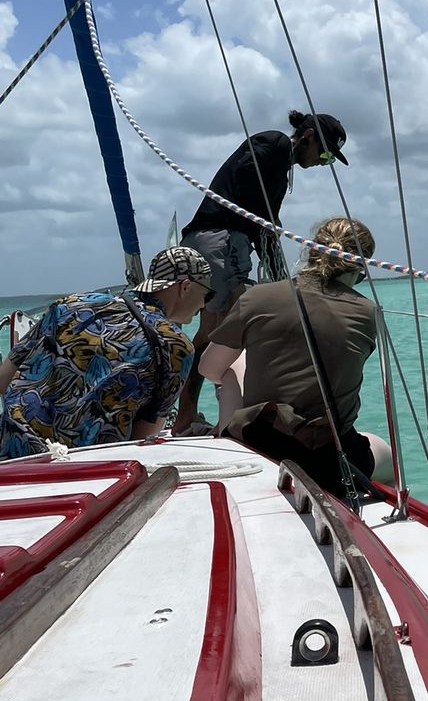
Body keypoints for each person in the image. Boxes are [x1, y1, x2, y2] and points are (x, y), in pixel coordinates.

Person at [173, 109, 349, 433]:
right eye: (325, 154)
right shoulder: (276, 143)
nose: (324, 163)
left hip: (226, 242)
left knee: (217, 332)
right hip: (222, 239)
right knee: (221, 333)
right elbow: (246, 177)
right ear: (308, 136)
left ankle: (199, 415)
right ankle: (204, 417)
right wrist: (269, 219)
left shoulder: (282, 162)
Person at [199, 216, 391, 501]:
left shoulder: (258, 297)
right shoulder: (369, 313)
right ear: (360, 267)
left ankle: (225, 439)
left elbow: (208, 368)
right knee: (385, 453)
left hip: (261, 448)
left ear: (310, 252)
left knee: (233, 365)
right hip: (331, 461)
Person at [0, 246, 213, 460]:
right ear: (186, 287)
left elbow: (3, 380)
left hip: (11, 450)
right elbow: (142, 438)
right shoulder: (175, 346)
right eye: (207, 294)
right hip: (83, 465)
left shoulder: (71, 305)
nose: (204, 304)